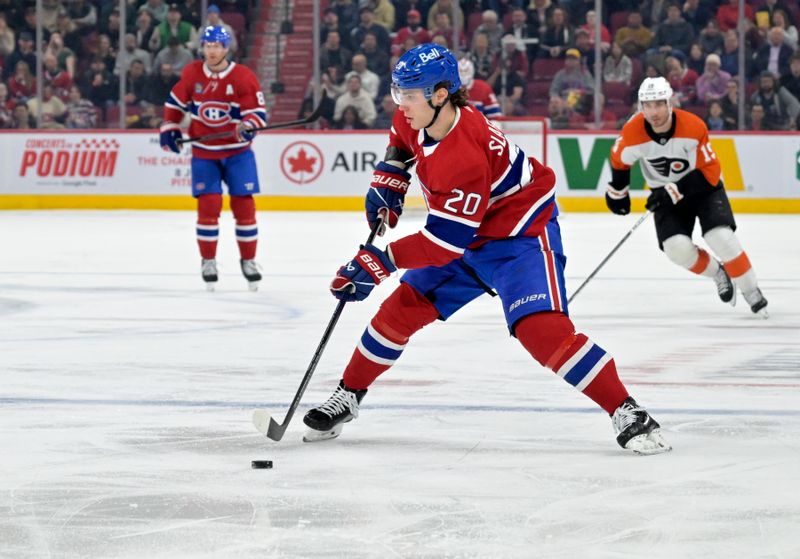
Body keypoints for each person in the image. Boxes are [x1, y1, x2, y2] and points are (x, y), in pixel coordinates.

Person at [301, 43, 672, 456]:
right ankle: (349, 394)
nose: (400, 103)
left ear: (440, 94)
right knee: (398, 311)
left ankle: (627, 410)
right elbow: (401, 142)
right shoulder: (418, 113)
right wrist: (390, 175)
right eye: (397, 92)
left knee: (540, 331)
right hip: (469, 235)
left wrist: (381, 261)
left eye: (408, 94)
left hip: (520, 236)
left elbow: (444, 243)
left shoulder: (462, 155)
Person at [606, 77, 768, 316]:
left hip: (702, 189)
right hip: (665, 194)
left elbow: (710, 173)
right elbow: (619, 160)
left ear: (670, 103)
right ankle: (718, 273)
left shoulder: (693, 126)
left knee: (720, 237)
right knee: (675, 248)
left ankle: (751, 289)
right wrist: (618, 192)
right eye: (647, 105)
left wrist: (674, 189)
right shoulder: (632, 132)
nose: (653, 112)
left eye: (659, 104)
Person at [159, 25, 268, 291]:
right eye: (208, 46)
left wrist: (248, 125)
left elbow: (257, 113)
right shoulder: (192, 73)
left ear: (226, 48)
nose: (212, 50)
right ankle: (208, 260)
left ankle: (249, 261)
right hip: (204, 153)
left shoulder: (243, 76)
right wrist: (170, 127)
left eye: (217, 46)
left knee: (244, 206)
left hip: (237, 153)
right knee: (208, 206)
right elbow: (174, 105)